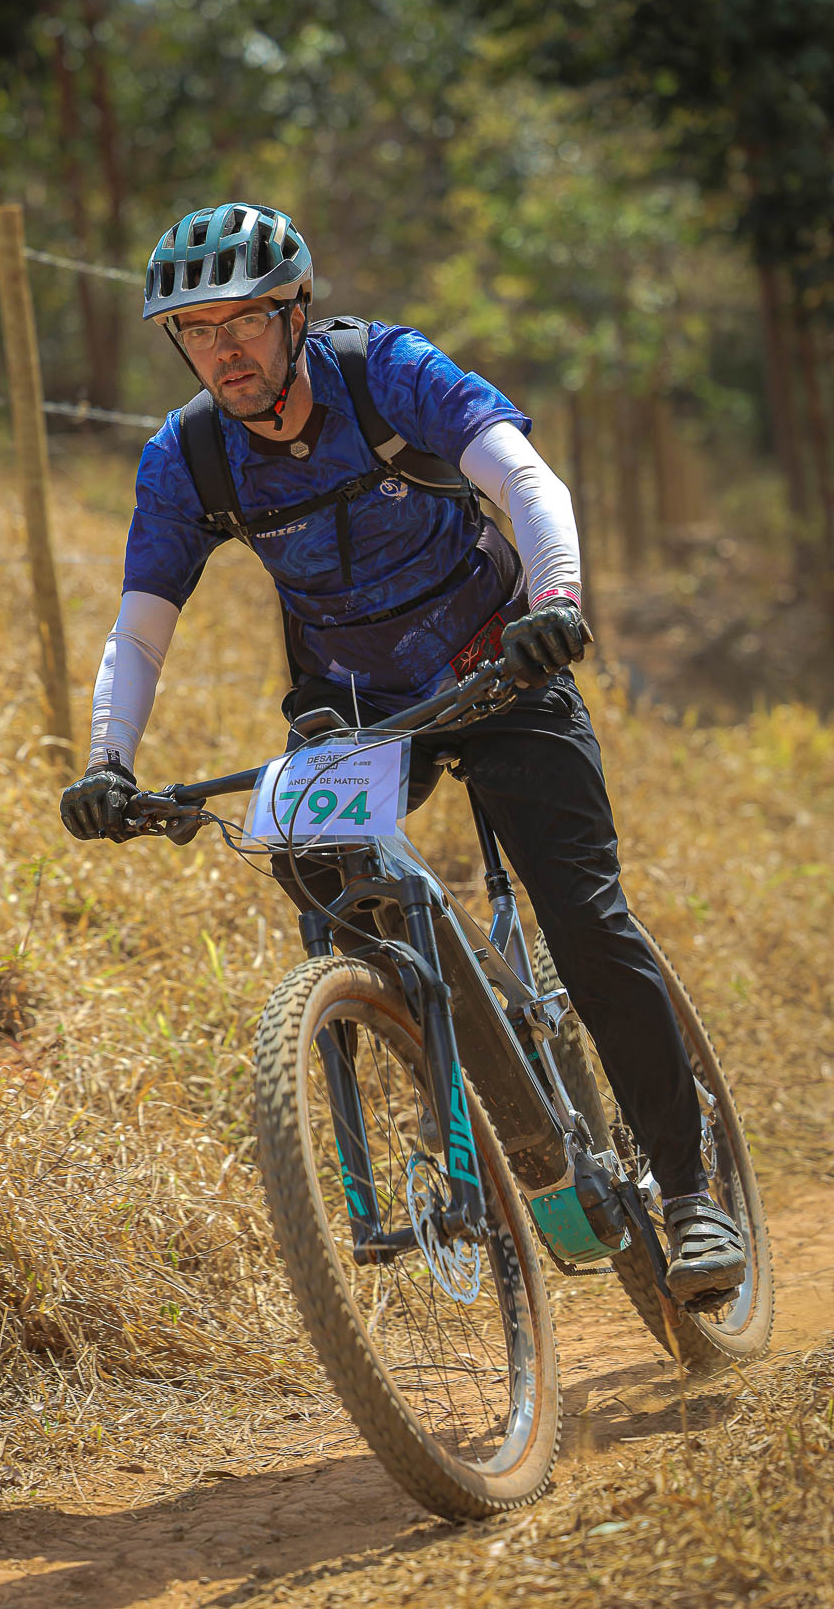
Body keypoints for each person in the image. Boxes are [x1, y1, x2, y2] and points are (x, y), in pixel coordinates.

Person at [59, 201, 745, 1304]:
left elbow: (525, 480)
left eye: (245, 320)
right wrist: (108, 762)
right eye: (197, 330)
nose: (224, 350)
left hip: (503, 668)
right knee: (323, 882)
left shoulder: (385, 374)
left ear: (296, 313)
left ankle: (690, 1192)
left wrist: (558, 601)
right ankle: (450, 1072)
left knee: (583, 916)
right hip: (357, 707)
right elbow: (140, 628)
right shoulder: (189, 458)